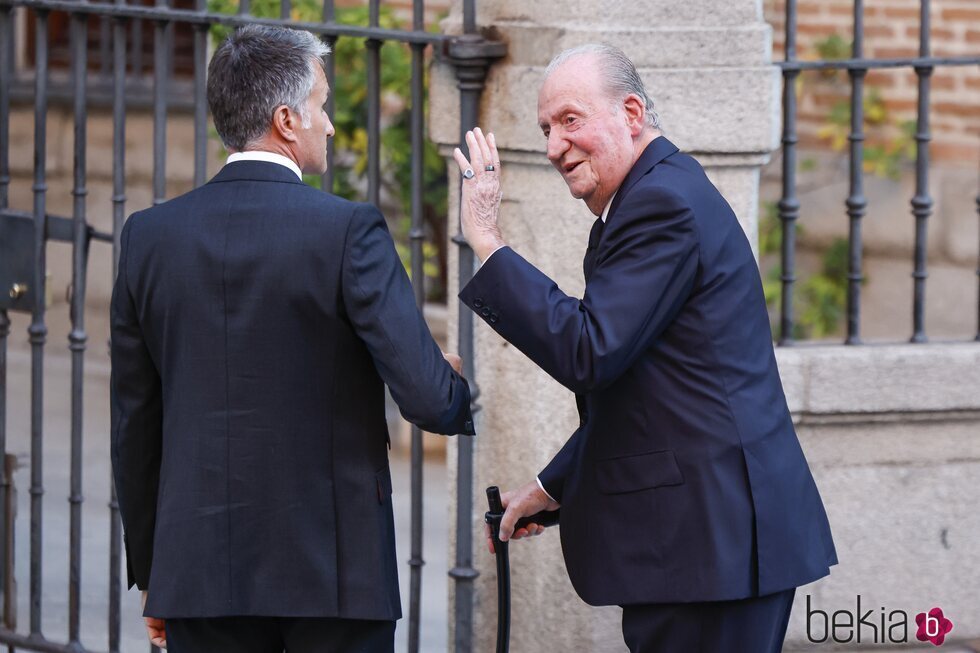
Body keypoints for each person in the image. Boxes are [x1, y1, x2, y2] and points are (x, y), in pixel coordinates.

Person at [452, 44, 836, 653]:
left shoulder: (662, 203)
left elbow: (590, 349)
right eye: (547, 129)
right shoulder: (651, 195)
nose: (554, 146)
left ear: (631, 112)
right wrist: (554, 486)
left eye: (570, 121)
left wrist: (488, 240)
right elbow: (648, 388)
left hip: (715, 548)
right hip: (710, 547)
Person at [110, 25, 473, 653]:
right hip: (334, 576)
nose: (328, 124)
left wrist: (154, 576)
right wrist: (450, 381)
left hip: (197, 577)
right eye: (322, 106)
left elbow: (135, 426)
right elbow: (429, 398)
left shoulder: (149, 238)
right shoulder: (348, 230)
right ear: (286, 118)